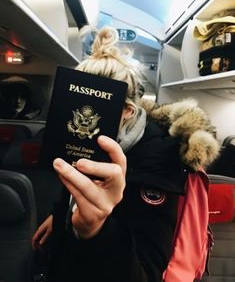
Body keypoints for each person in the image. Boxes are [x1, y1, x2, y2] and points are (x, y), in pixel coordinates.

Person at [32, 27, 220, 282]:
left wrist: (96, 228)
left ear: (128, 111)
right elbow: (74, 187)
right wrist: (60, 216)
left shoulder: (160, 160)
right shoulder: (82, 143)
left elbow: (145, 273)